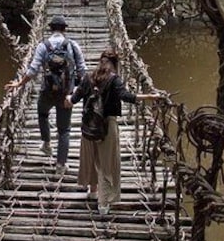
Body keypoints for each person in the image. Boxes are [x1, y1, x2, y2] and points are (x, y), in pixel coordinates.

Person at [67, 49, 160, 215]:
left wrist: (66, 100)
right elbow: (125, 96)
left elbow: (74, 99)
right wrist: (148, 97)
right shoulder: (114, 79)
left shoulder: (88, 78)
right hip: (107, 126)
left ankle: (93, 190)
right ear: (115, 64)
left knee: (92, 157)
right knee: (106, 163)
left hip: (88, 125)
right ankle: (103, 204)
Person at [5, 15, 87, 175]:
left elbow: (33, 69)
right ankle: (60, 166)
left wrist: (19, 83)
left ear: (50, 29)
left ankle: (46, 143)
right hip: (66, 94)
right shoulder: (72, 45)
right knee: (64, 131)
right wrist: (80, 91)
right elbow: (82, 69)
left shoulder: (43, 46)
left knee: (42, 114)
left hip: (47, 91)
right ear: (65, 29)